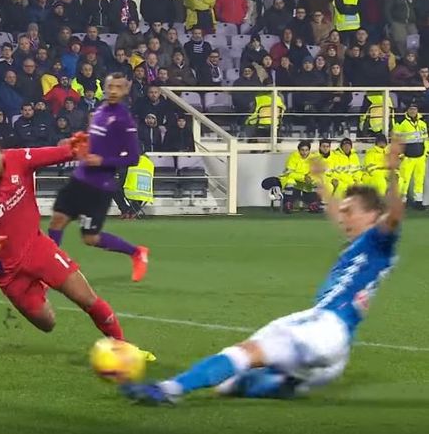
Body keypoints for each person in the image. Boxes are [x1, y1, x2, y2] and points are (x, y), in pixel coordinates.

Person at [123, 138, 405, 403]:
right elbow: (336, 213)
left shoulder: (379, 241)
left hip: (326, 328)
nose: (342, 217)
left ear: (372, 216)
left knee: (245, 354)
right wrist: (320, 181)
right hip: (326, 335)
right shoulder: (361, 244)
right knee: (232, 383)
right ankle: (286, 382)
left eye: (349, 211)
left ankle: (167, 390)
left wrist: (393, 172)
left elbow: (393, 216)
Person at [0, 130, 153, 358]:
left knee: (87, 299)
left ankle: (124, 349)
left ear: (2, 153)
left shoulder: (20, 160)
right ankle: (40, 288)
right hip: (9, 274)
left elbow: (62, 152)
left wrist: (81, 148)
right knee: (48, 323)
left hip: (38, 249)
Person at [48, 73, 149, 282]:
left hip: (99, 186)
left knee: (90, 238)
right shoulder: (100, 111)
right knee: (57, 220)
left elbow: (133, 157)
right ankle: (48, 269)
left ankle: (137, 252)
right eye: (110, 86)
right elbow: (93, 141)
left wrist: (102, 161)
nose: (113, 91)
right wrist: (75, 142)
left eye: (118, 87)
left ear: (125, 90)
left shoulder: (124, 120)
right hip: (80, 178)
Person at [393, 102, 428, 210]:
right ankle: (402, 202)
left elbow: (425, 139)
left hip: (420, 157)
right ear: (407, 111)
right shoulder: (401, 123)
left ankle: (418, 201)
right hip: (407, 157)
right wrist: (400, 154)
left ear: (417, 111)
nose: (413, 111)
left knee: (419, 180)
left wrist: (426, 152)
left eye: (414, 109)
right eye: (411, 109)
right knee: (404, 180)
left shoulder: (422, 123)